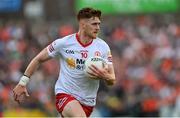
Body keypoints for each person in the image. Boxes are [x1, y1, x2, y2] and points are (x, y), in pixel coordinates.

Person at [13, 7, 116, 117]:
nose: (98, 28)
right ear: (83, 24)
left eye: (99, 24)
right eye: (94, 24)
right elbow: (38, 59)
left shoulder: (103, 47)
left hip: (88, 102)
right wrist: (22, 82)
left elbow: (112, 79)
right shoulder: (63, 43)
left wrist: (106, 76)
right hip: (65, 95)